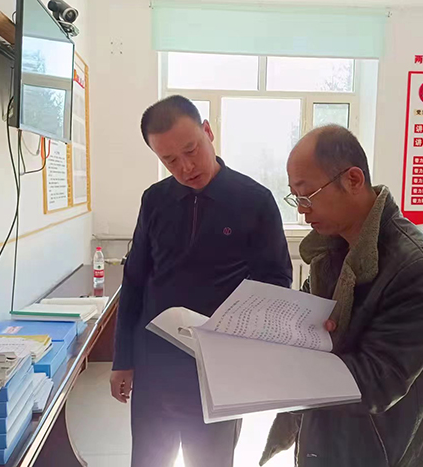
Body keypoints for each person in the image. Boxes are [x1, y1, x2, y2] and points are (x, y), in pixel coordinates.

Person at [111, 95, 292, 467]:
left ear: (208, 131)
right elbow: (134, 281)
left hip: (217, 370)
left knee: (211, 460)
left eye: (191, 150)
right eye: (169, 160)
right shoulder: (155, 200)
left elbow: (275, 281)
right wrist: (122, 359)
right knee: (148, 459)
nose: (186, 167)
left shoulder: (254, 201)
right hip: (155, 363)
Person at [261, 125, 423, 467]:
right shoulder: (331, 251)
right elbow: (308, 323)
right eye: (295, 197)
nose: (302, 210)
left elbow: (377, 382)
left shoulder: (420, 268)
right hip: (327, 440)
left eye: (307, 195)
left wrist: (284, 369)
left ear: (353, 179)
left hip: (383, 451)